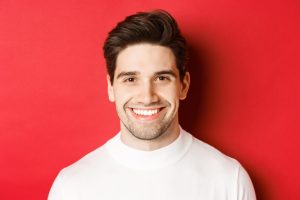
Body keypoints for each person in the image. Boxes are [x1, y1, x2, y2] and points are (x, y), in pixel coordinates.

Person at [48, 10, 256, 200]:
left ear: (183, 86)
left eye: (161, 78)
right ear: (111, 88)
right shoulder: (72, 188)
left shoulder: (229, 180)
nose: (147, 97)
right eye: (130, 79)